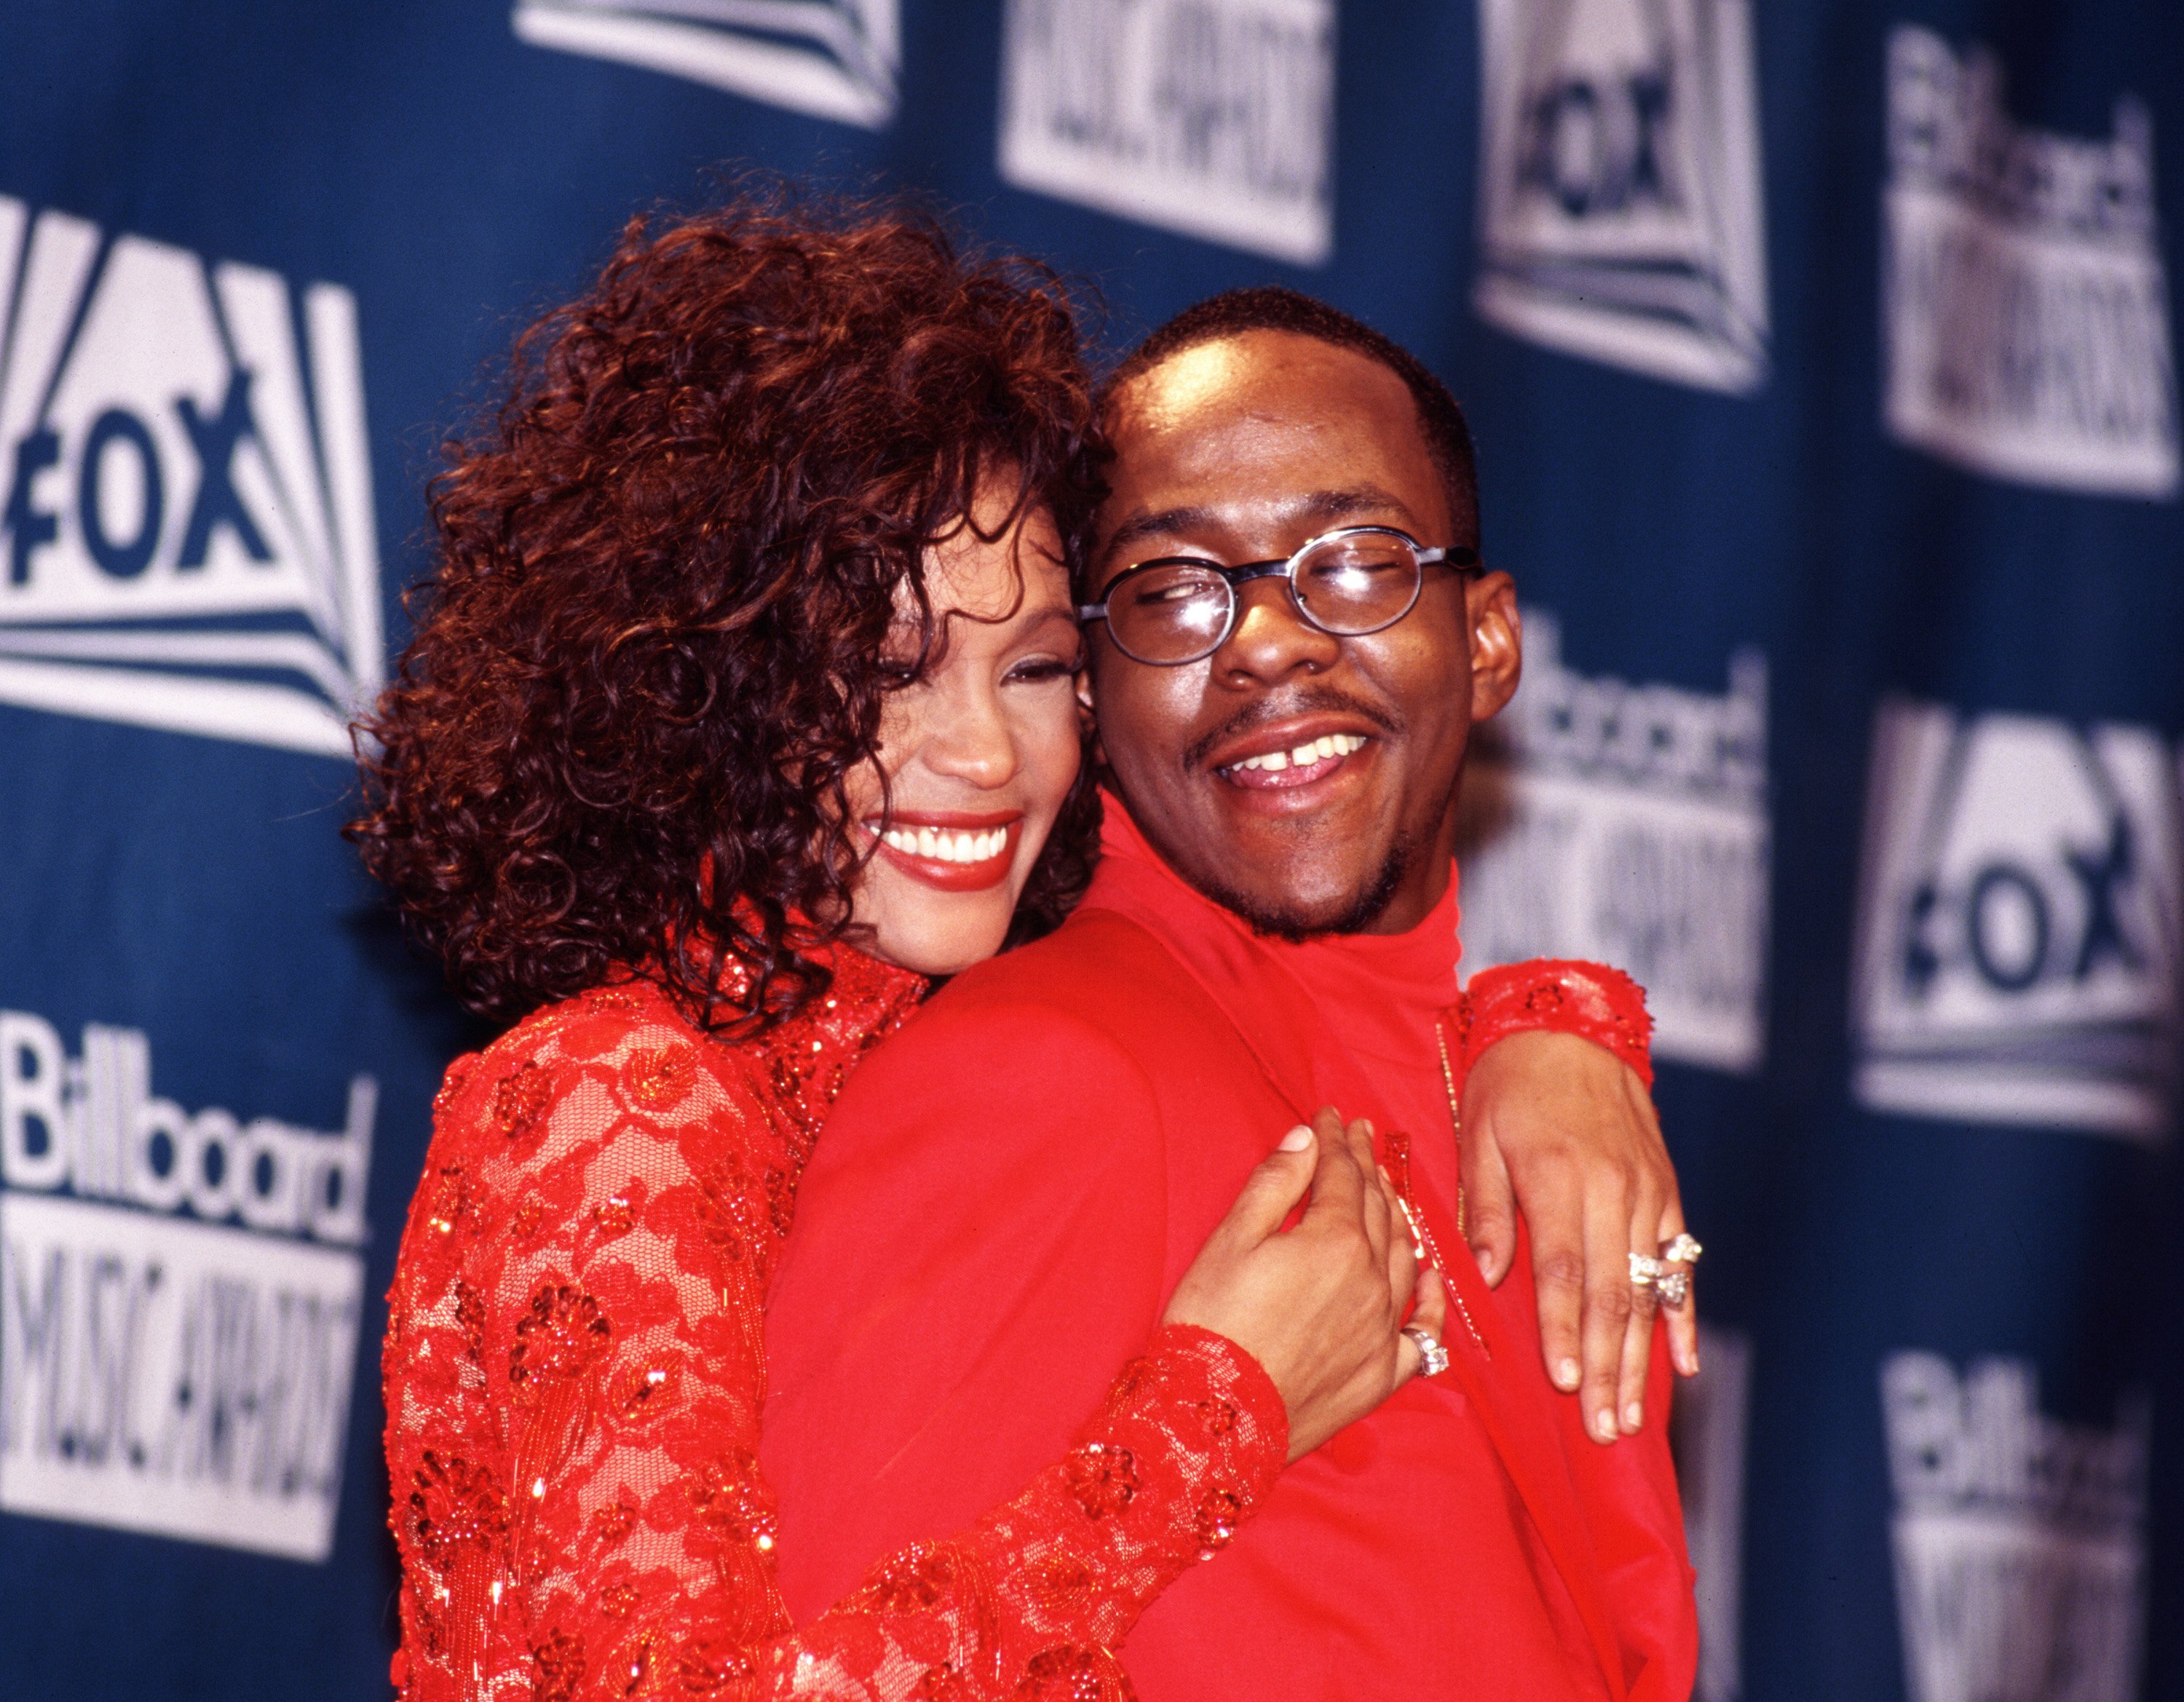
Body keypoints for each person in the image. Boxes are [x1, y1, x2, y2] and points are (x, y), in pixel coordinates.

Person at [355, 199, 1684, 1702]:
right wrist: (1217, 1409)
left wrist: (1553, 1021)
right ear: (705, 683)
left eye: (1038, 663)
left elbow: (1297, 930)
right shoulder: (622, 1094)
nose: (982, 749)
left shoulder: (932, 1025)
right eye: (889, 670)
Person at [761, 289, 1701, 1701]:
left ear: (1490, 641)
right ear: (1093, 685)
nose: (1267, 643)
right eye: (1174, 589)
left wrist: (1562, 1019)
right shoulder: (1038, 1071)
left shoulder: (1529, 1108)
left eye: (1355, 560)